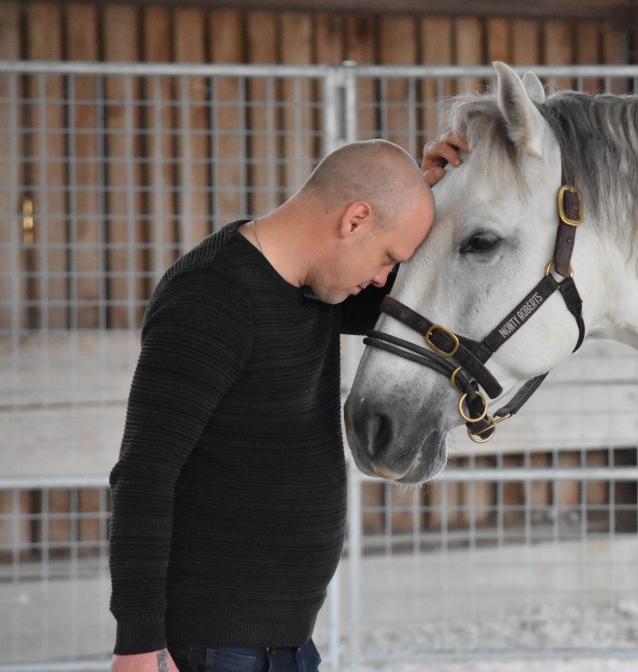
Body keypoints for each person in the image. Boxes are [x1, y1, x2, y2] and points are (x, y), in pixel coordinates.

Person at [108, 134, 468, 672]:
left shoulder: (313, 287)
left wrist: (435, 187)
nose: (381, 280)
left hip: (287, 646)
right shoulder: (212, 297)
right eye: (387, 259)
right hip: (212, 650)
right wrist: (137, 646)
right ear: (354, 220)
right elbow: (143, 475)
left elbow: (407, 305)